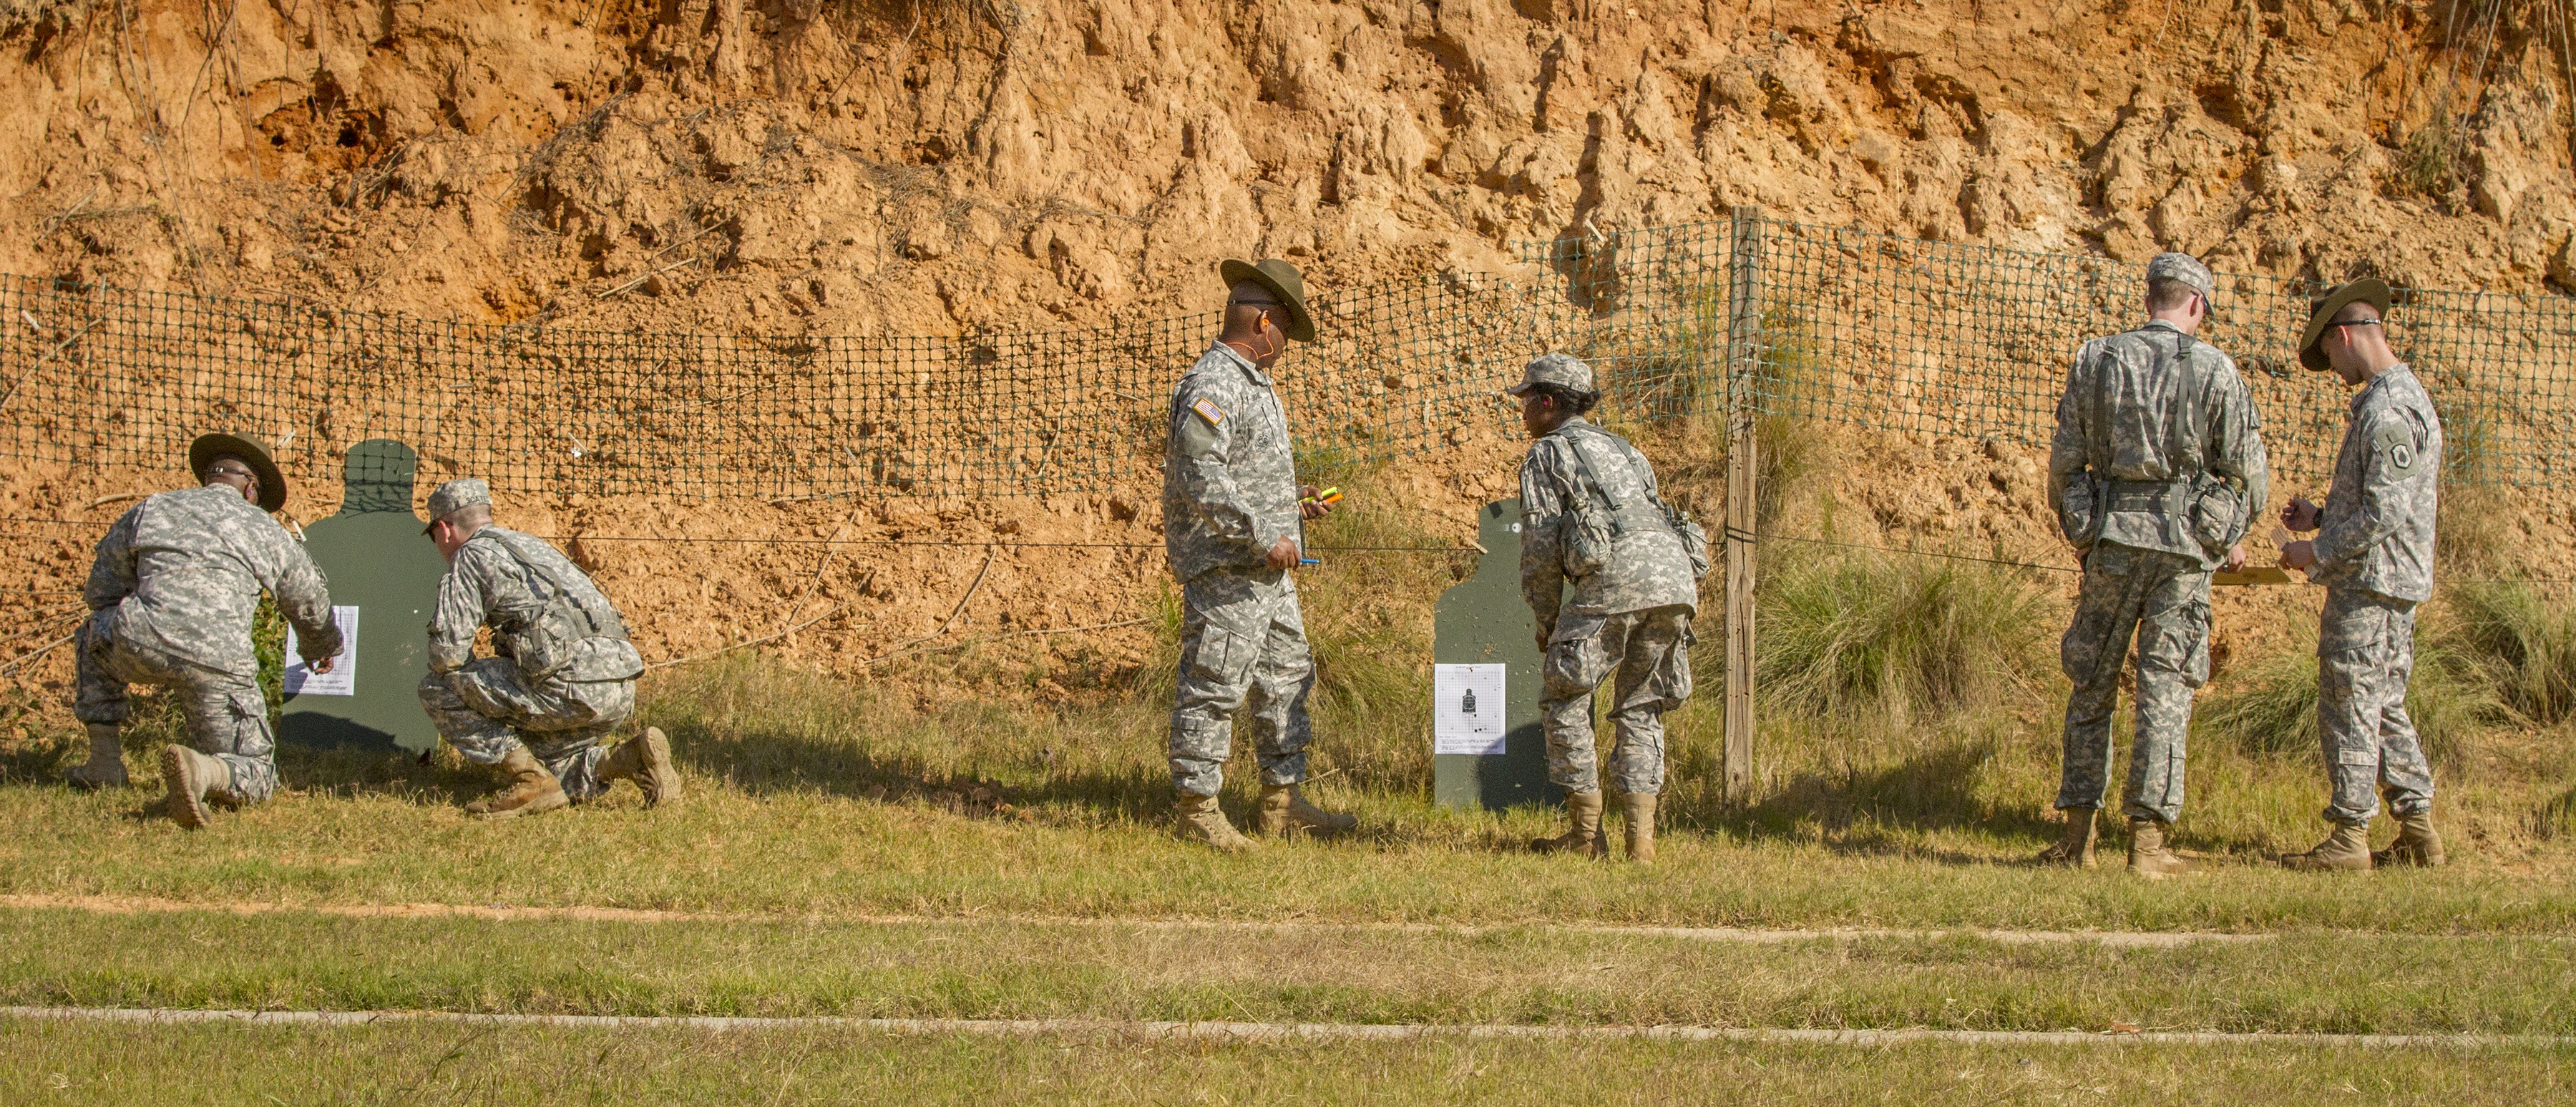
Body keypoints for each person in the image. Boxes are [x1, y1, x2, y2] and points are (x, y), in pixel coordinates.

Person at [2039, 253, 2270, 876]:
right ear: (2196, 305)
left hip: (2113, 544)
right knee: (2165, 689)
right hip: (2181, 557)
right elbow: (2249, 477)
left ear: (2149, 301)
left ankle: (2078, 837)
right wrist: (2214, 534)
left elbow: (2067, 463)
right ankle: (2147, 847)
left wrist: (2086, 530)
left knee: (2092, 681)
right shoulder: (2219, 371)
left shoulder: (2098, 359)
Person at [1159, 258, 1355, 850]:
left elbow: (1245, 476)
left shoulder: (1251, 383)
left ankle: (1282, 802)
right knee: (1215, 682)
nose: (1286, 347)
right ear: (1265, 323)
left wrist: (1293, 508)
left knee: (1284, 677)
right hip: (1230, 570)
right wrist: (1262, 535)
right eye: (1286, 334)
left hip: (1266, 573)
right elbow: (1201, 474)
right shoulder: (1213, 383)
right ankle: (1196, 807)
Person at [71, 432, 343, 829]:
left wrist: (148, 613)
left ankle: (105, 761)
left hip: (138, 641)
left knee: (93, 633)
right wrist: (320, 645)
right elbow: (308, 600)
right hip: (219, 663)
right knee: (256, 773)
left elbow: (100, 591)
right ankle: (205, 771)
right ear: (252, 488)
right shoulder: (264, 528)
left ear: (209, 477)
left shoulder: (152, 508)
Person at [2278, 278, 2445, 871]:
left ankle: (2349, 836)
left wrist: (2316, 548)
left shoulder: (2387, 409)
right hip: (2388, 582)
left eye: (2331, 356)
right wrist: (2320, 516)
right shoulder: (2406, 399)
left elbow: (2384, 514)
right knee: (2383, 704)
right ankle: (2418, 829)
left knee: (2349, 701)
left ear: (2344, 335)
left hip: (2370, 588)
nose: (2334, 369)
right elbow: (2384, 506)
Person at [1511, 354, 1705, 862]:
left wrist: (1548, 621)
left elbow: (1540, 547)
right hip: (1675, 579)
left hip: (1615, 580)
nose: (1522, 410)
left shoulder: (1546, 454)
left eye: (1527, 399)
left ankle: (1584, 837)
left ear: (1549, 401)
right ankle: (1641, 845)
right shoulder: (1627, 450)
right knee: (1641, 705)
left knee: (1564, 694)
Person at [416, 478, 676, 817]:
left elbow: (447, 654)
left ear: (445, 529)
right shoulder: (530, 546)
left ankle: (530, 781)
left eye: (433, 534)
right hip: (619, 686)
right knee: (549, 759)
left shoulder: (470, 557)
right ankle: (630, 758)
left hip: (567, 689)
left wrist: (480, 680)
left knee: (437, 687)